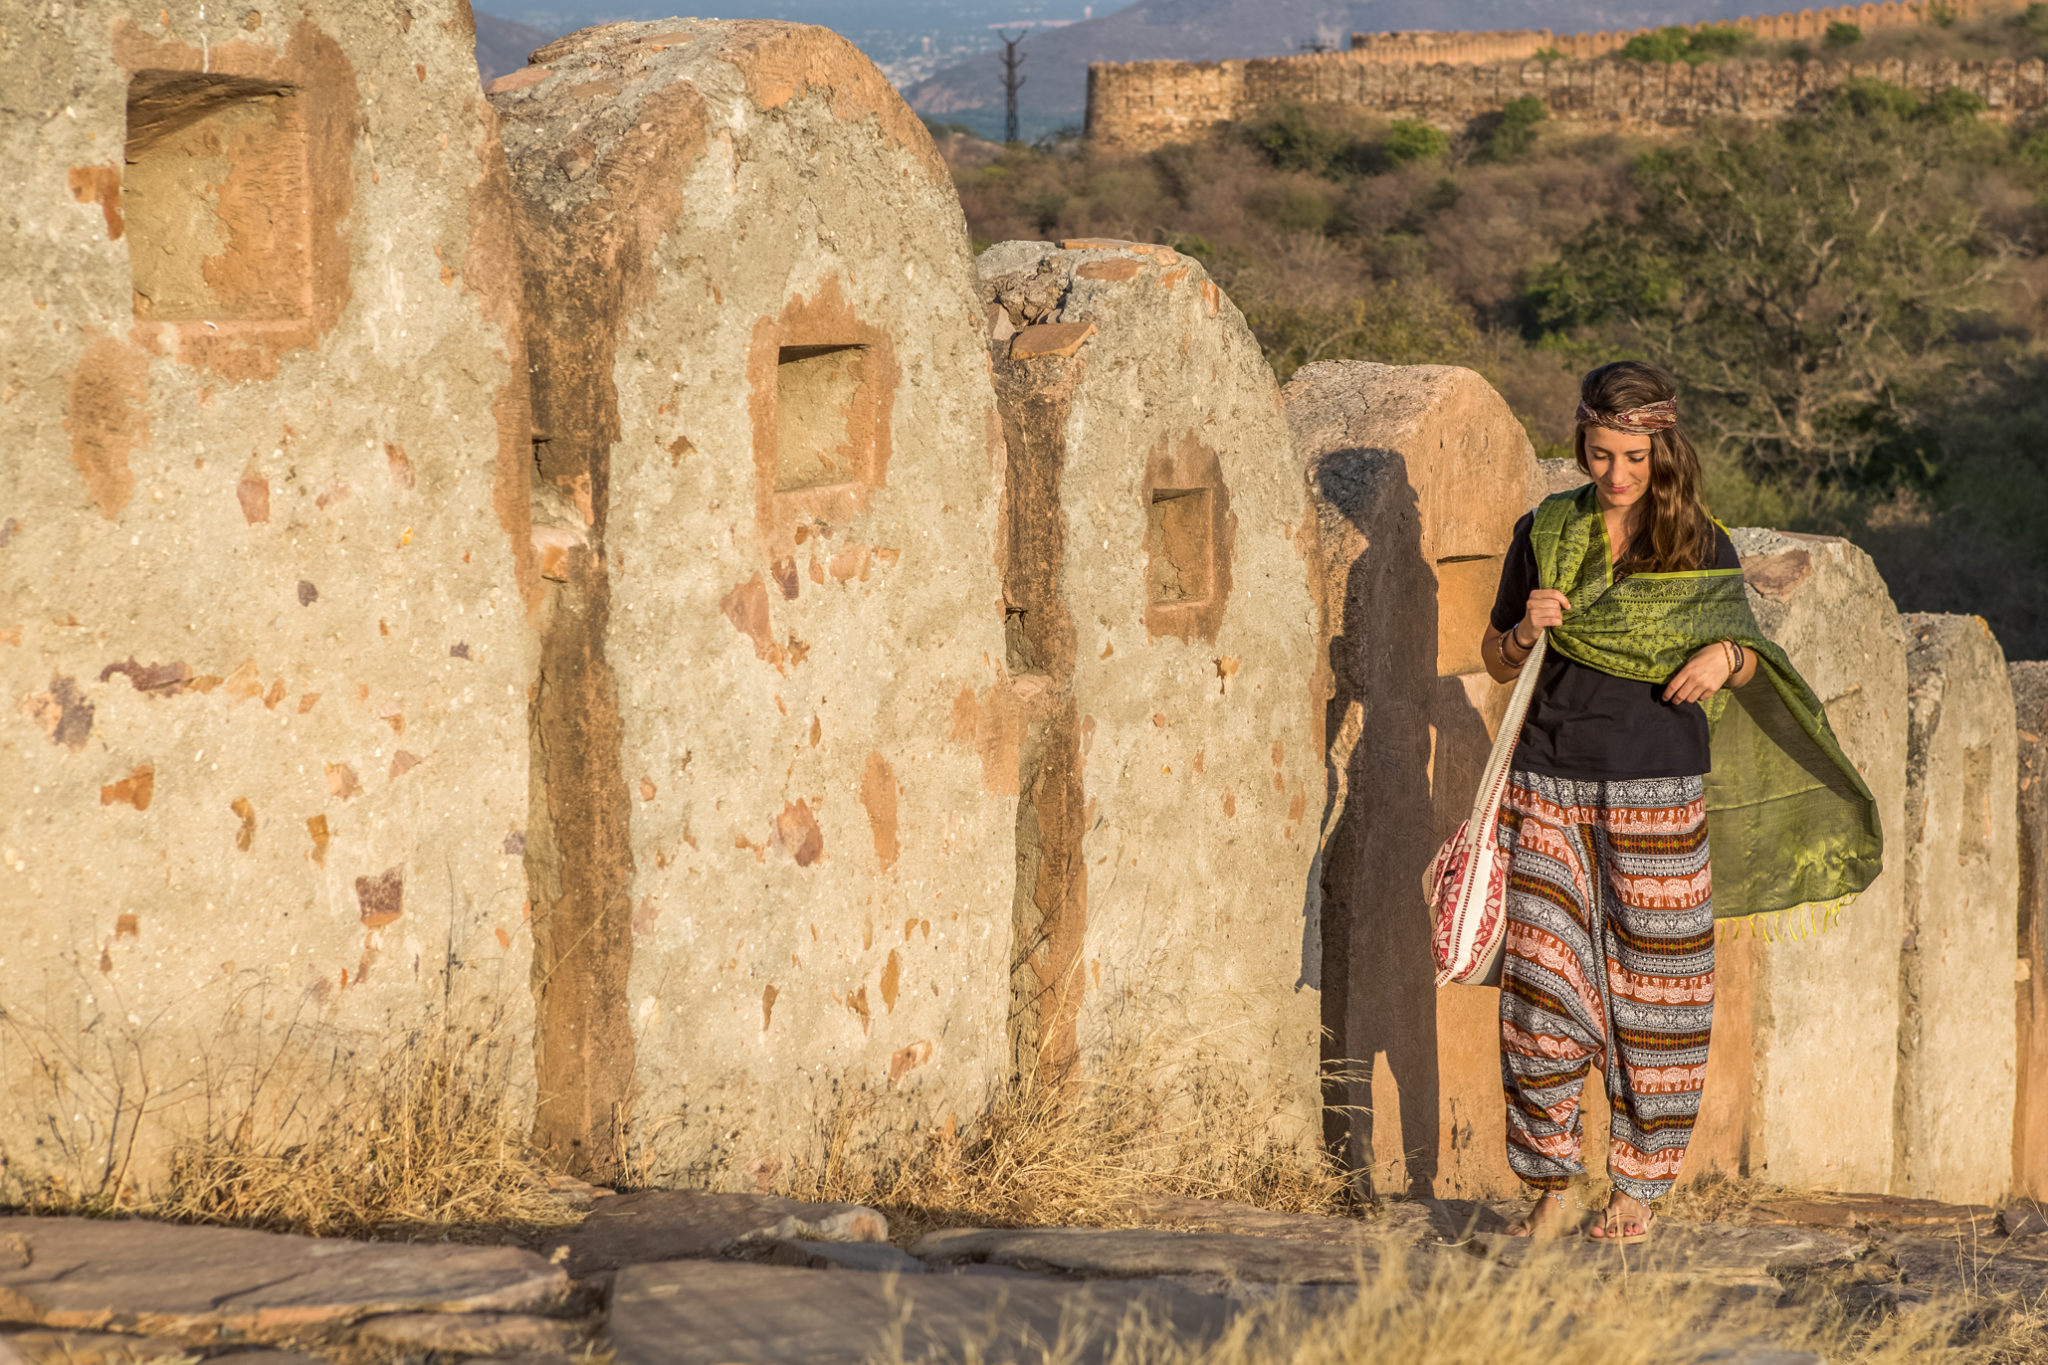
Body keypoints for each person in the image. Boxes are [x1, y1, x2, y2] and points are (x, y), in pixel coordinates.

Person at [1478, 360, 1880, 1244]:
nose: (1616, 473)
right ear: (1580, 443)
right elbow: (1497, 657)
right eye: (1599, 454)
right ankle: (1550, 1187)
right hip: (1547, 782)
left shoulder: (1700, 541)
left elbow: (1749, 652)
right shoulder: (1545, 531)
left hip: (1659, 790)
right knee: (1540, 991)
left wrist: (1722, 659)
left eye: (1633, 456)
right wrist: (1524, 629)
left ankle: (1637, 1191)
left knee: (1658, 997)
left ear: (1663, 448)